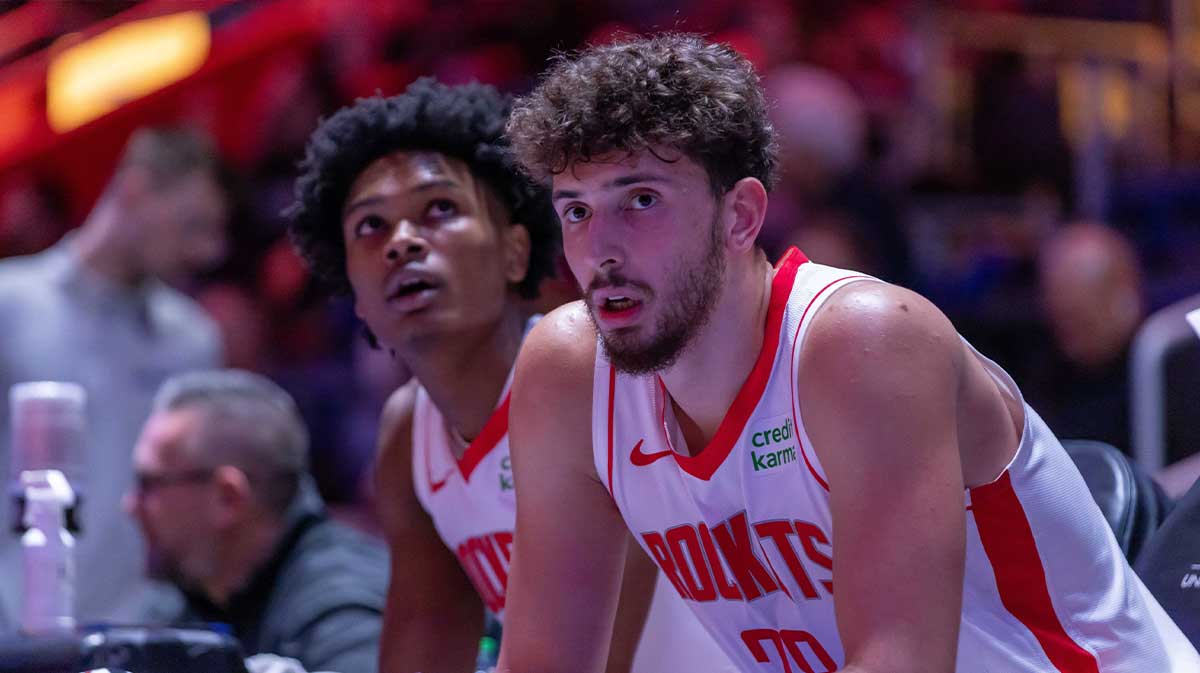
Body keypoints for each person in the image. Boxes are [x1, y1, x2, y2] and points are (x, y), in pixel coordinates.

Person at [496, 33, 1199, 673]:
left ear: (740, 215)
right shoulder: (567, 373)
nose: (601, 249)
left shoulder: (864, 344)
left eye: (641, 199)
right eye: (577, 210)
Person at [288, 78, 733, 673]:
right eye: (371, 227)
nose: (402, 244)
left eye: (439, 209)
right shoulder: (407, 439)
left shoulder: (588, 372)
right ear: (356, 298)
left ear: (516, 252)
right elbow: (426, 646)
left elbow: (603, 660)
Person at [0, 127, 228, 625]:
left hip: (140, 632)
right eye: (191, 225)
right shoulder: (8, 305)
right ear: (136, 188)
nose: (203, 253)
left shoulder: (194, 340)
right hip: (10, 630)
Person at [126, 369, 387, 673]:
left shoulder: (342, 612)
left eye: (149, 484)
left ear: (227, 498)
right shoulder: (179, 602)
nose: (130, 506)